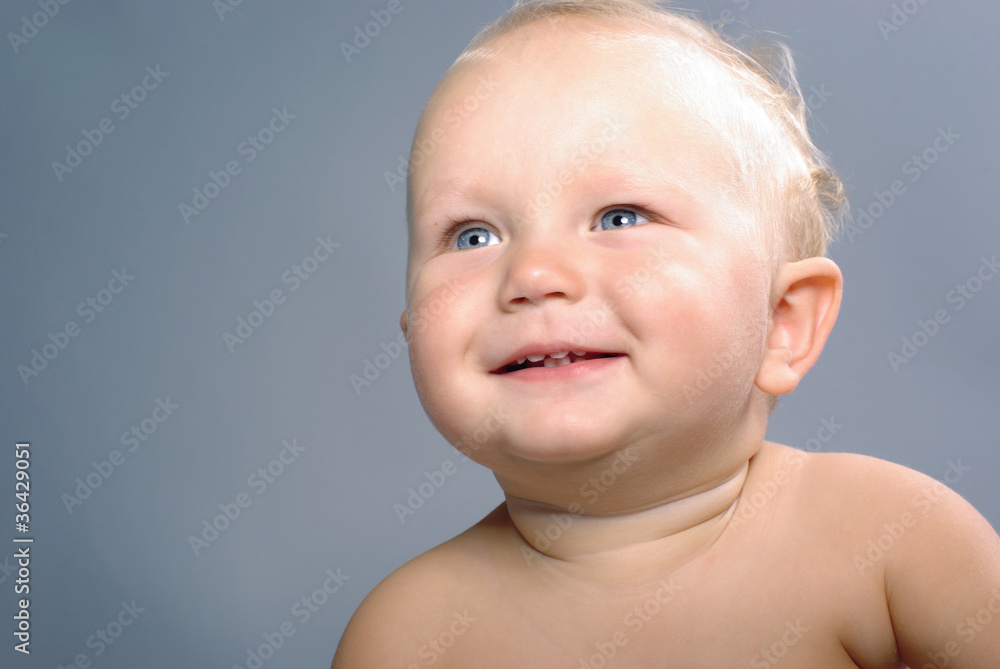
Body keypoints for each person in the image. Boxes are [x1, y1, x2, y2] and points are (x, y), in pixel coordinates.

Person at [333, 1, 1000, 666]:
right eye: (472, 234)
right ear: (412, 328)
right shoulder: (408, 634)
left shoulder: (891, 537)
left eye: (620, 218)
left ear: (782, 323)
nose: (532, 272)